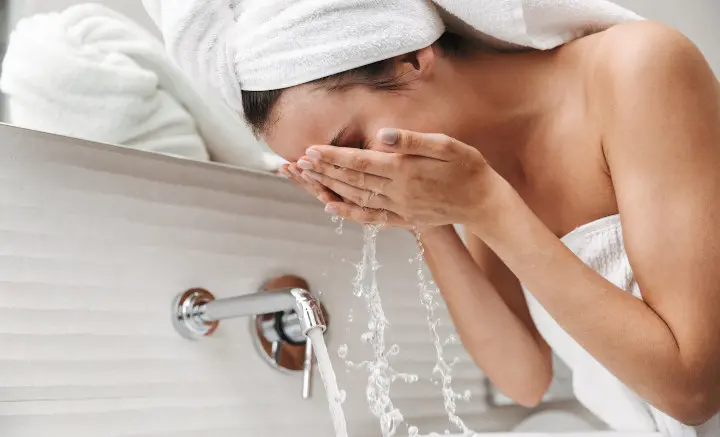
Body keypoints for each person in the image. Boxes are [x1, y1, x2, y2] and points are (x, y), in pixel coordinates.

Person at [144, 0, 720, 433]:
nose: (364, 171)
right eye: (339, 168)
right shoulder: (469, 168)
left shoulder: (639, 68)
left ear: (412, 57)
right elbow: (524, 378)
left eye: (352, 144)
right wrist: (424, 219)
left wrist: (488, 208)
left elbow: (693, 390)